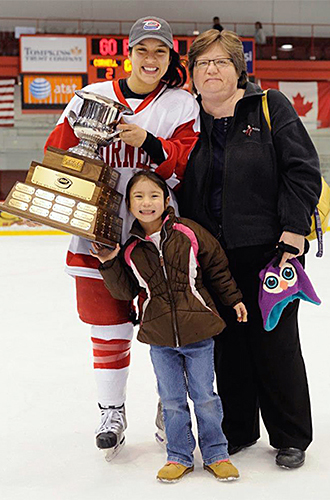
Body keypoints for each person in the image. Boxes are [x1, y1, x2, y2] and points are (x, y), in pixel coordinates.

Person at [44, 16, 200, 460]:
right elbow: (55, 155)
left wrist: (149, 141)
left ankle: (168, 412)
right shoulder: (89, 98)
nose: (151, 59)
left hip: (158, 241)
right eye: (143, 50)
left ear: (170, 58)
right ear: (127, 53)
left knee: (171, 328)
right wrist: (78, 150)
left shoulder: (181, 104)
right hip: (97, 235)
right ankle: (111, 412)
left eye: (161, 52)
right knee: (108, 327)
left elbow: (188, 167)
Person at [179, 29, 322, 469]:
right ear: (193, 74)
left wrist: (294, 231)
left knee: (275, 344)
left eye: (220, 61)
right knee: (227, 347)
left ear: (238, 68)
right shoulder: (188, 122)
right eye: (202, 63)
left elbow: (302, 169)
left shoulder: (269, 106)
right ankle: (238, 429)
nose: (212, 70)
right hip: (211, 258)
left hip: (268, 251)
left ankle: (290, 436)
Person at [90, 170, 247, 482]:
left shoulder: (188, 232)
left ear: (165, 200)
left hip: (199, 330)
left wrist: (234, 299)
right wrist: (109, 261)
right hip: (160, 337)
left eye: (153, 196)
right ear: (130, 205)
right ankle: (178, 455)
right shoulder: (131, 248)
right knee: (172, 400)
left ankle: (216, 453)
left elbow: (216, 265)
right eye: (138, 197)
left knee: (205, 396)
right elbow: (125, 291)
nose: (147, 203)